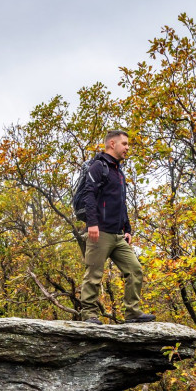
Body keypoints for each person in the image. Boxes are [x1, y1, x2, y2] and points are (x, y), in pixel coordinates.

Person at [79, 129, 155, 324]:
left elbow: (121, 202)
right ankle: (88, 315)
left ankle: (132, 313)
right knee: (94, 274)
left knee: (135, 269)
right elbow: (89, 195)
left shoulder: (118, 171)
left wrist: (127, 229)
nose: (127, 148)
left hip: (117, 235)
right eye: (125, 144)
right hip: (100, 232)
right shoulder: (98, 166)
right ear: (112, 144)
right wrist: (92, 224)